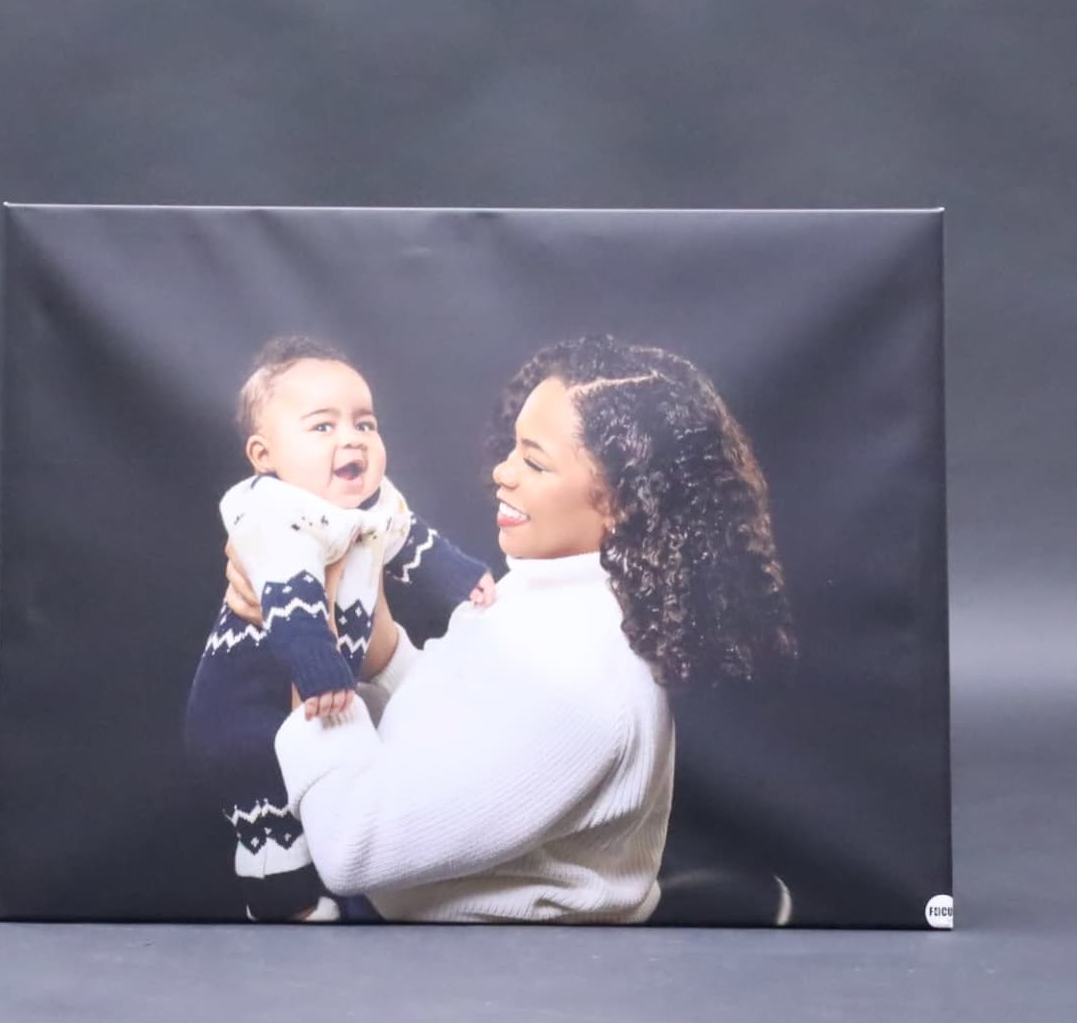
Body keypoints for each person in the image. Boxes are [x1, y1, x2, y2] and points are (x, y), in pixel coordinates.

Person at [255, 336, 792, 923]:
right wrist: (381, 651)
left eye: (535, 462)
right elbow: (461, 734)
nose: (502, 473)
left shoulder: (580, 687)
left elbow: (353, 848)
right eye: (513, 449)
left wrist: (304, 643)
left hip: (483, 981)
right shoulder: (550, 594)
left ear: (624, 502)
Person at [180, 337, 494, 923]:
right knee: (270, 811)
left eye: (365, 424)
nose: (351, 439)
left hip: (327, 689)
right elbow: (291, 599)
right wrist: (320, 667)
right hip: (244, 708)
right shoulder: (273, 513)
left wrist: (463, 578)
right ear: (264, 455)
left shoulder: (374, 503)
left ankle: (346, 875)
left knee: (335, 792)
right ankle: (282, 900)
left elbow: (412, 542)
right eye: (322, 428)